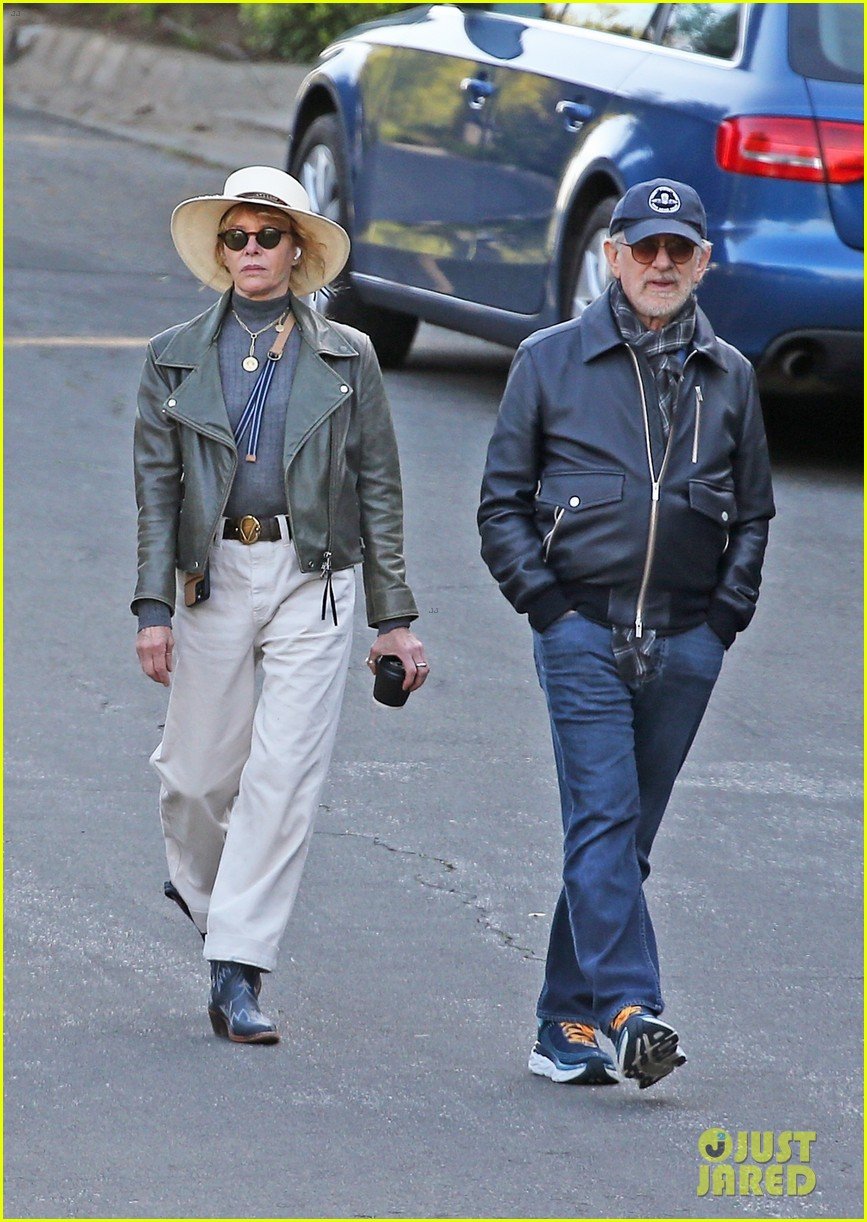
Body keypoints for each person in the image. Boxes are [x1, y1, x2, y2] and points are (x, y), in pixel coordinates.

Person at [478, 179, 774, 1089]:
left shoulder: (731, 376)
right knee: (602, 819)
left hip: (686, 641)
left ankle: (561, 1025)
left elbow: (754, 514)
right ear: (611, 257)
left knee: (621, 838)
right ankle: (628, 1010)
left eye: (676, 251)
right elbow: (500, 506)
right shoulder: (549, 360)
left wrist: (723, 620)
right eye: (641, 249)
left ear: (701, 264)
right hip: (580, 631)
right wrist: (547, 607)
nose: (658, 265)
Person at [133, 166, 428, 1044]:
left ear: (299, 251)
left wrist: (395, 617)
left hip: (315, 579)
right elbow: (156, 489)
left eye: (269, 236)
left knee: (283, 776)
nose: (252, 251)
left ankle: (238, 971)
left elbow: (379, 484)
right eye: (237, 237)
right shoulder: (174, 355)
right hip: (211, 576)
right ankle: (207, 897)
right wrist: (153, 606)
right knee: (193, 781)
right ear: (220, 251)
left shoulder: (347, 355)